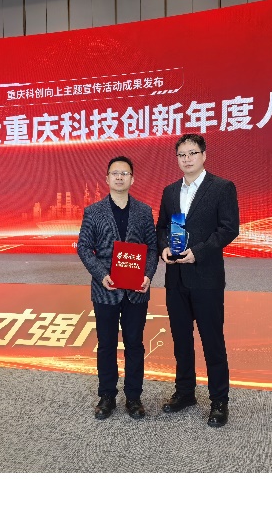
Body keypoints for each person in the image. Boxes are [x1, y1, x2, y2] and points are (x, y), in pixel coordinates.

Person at [156, 134, 239, 428]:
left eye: (192, 153)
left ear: (204, 155)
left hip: (206, 277)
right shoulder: (169, 191)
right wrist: (164, 247)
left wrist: (199, 252)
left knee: (212, 340)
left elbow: (229, 228)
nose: (187, 159)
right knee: (181, 340)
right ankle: (185, 392)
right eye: (182, 155)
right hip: (175, 277)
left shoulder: (222, 187)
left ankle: (219, 400)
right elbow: (162, 227)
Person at [77, 156, 158, 420]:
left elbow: (152, 248)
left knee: (134, 344)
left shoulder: (143, 211)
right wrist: (101, 275)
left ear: (132, 179)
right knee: (106, 344)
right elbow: (83, 247)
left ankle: (134, 397)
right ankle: (107, 396)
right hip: (106, 290)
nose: (120, 177)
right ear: (107, 178)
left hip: (136, 290)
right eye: (115, 173)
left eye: (125, 173)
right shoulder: (93, 211)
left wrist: (147, 275)